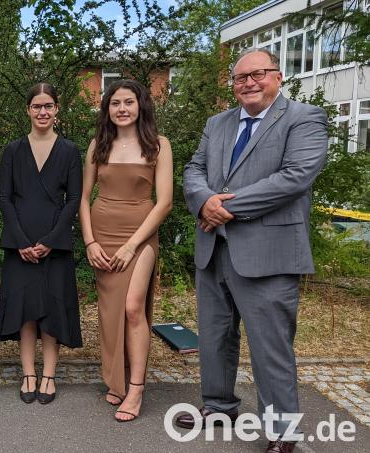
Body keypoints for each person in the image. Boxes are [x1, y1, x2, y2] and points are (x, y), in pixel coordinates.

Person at [179, 49, 328, 453]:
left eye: (257, 74)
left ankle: (282, 431)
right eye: (240, 77)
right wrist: (203, 200)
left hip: (268, 253)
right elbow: (194, 169)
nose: (248, 83)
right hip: (214, 248)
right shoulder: (218, 123)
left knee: (270, 347)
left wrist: (223, 208)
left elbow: (295, 177)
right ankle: (218, 406)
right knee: (214, 336)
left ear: (277, 76)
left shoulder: (304, 118)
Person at [78, 79, 173, 422]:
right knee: (111, 310)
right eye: (115, 103)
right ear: (107, 109)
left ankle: (135, 388)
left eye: (128, 102)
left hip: (141, 236)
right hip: (102, 236)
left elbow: (164, 203)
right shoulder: (98, 145)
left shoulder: (158, 145)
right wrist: (90, 242)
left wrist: (133, 245)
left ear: (140, 105)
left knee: (133, 307)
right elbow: (83, 199)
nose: (122, 109)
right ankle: (116, 379)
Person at [0, 83, 82, 405]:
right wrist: (20, 241)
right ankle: (28, 373)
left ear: (57, 109)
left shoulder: (69, 151)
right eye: (36, 106)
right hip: (20, 246)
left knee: (52, 310)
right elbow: (4, 198)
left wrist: (51, 241)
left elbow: (74, 199)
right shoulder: (13, 150)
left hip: (55, 246)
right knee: (25, 311)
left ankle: (49, 375)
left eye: (48, 106)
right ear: (28, 110)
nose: (42, 112)